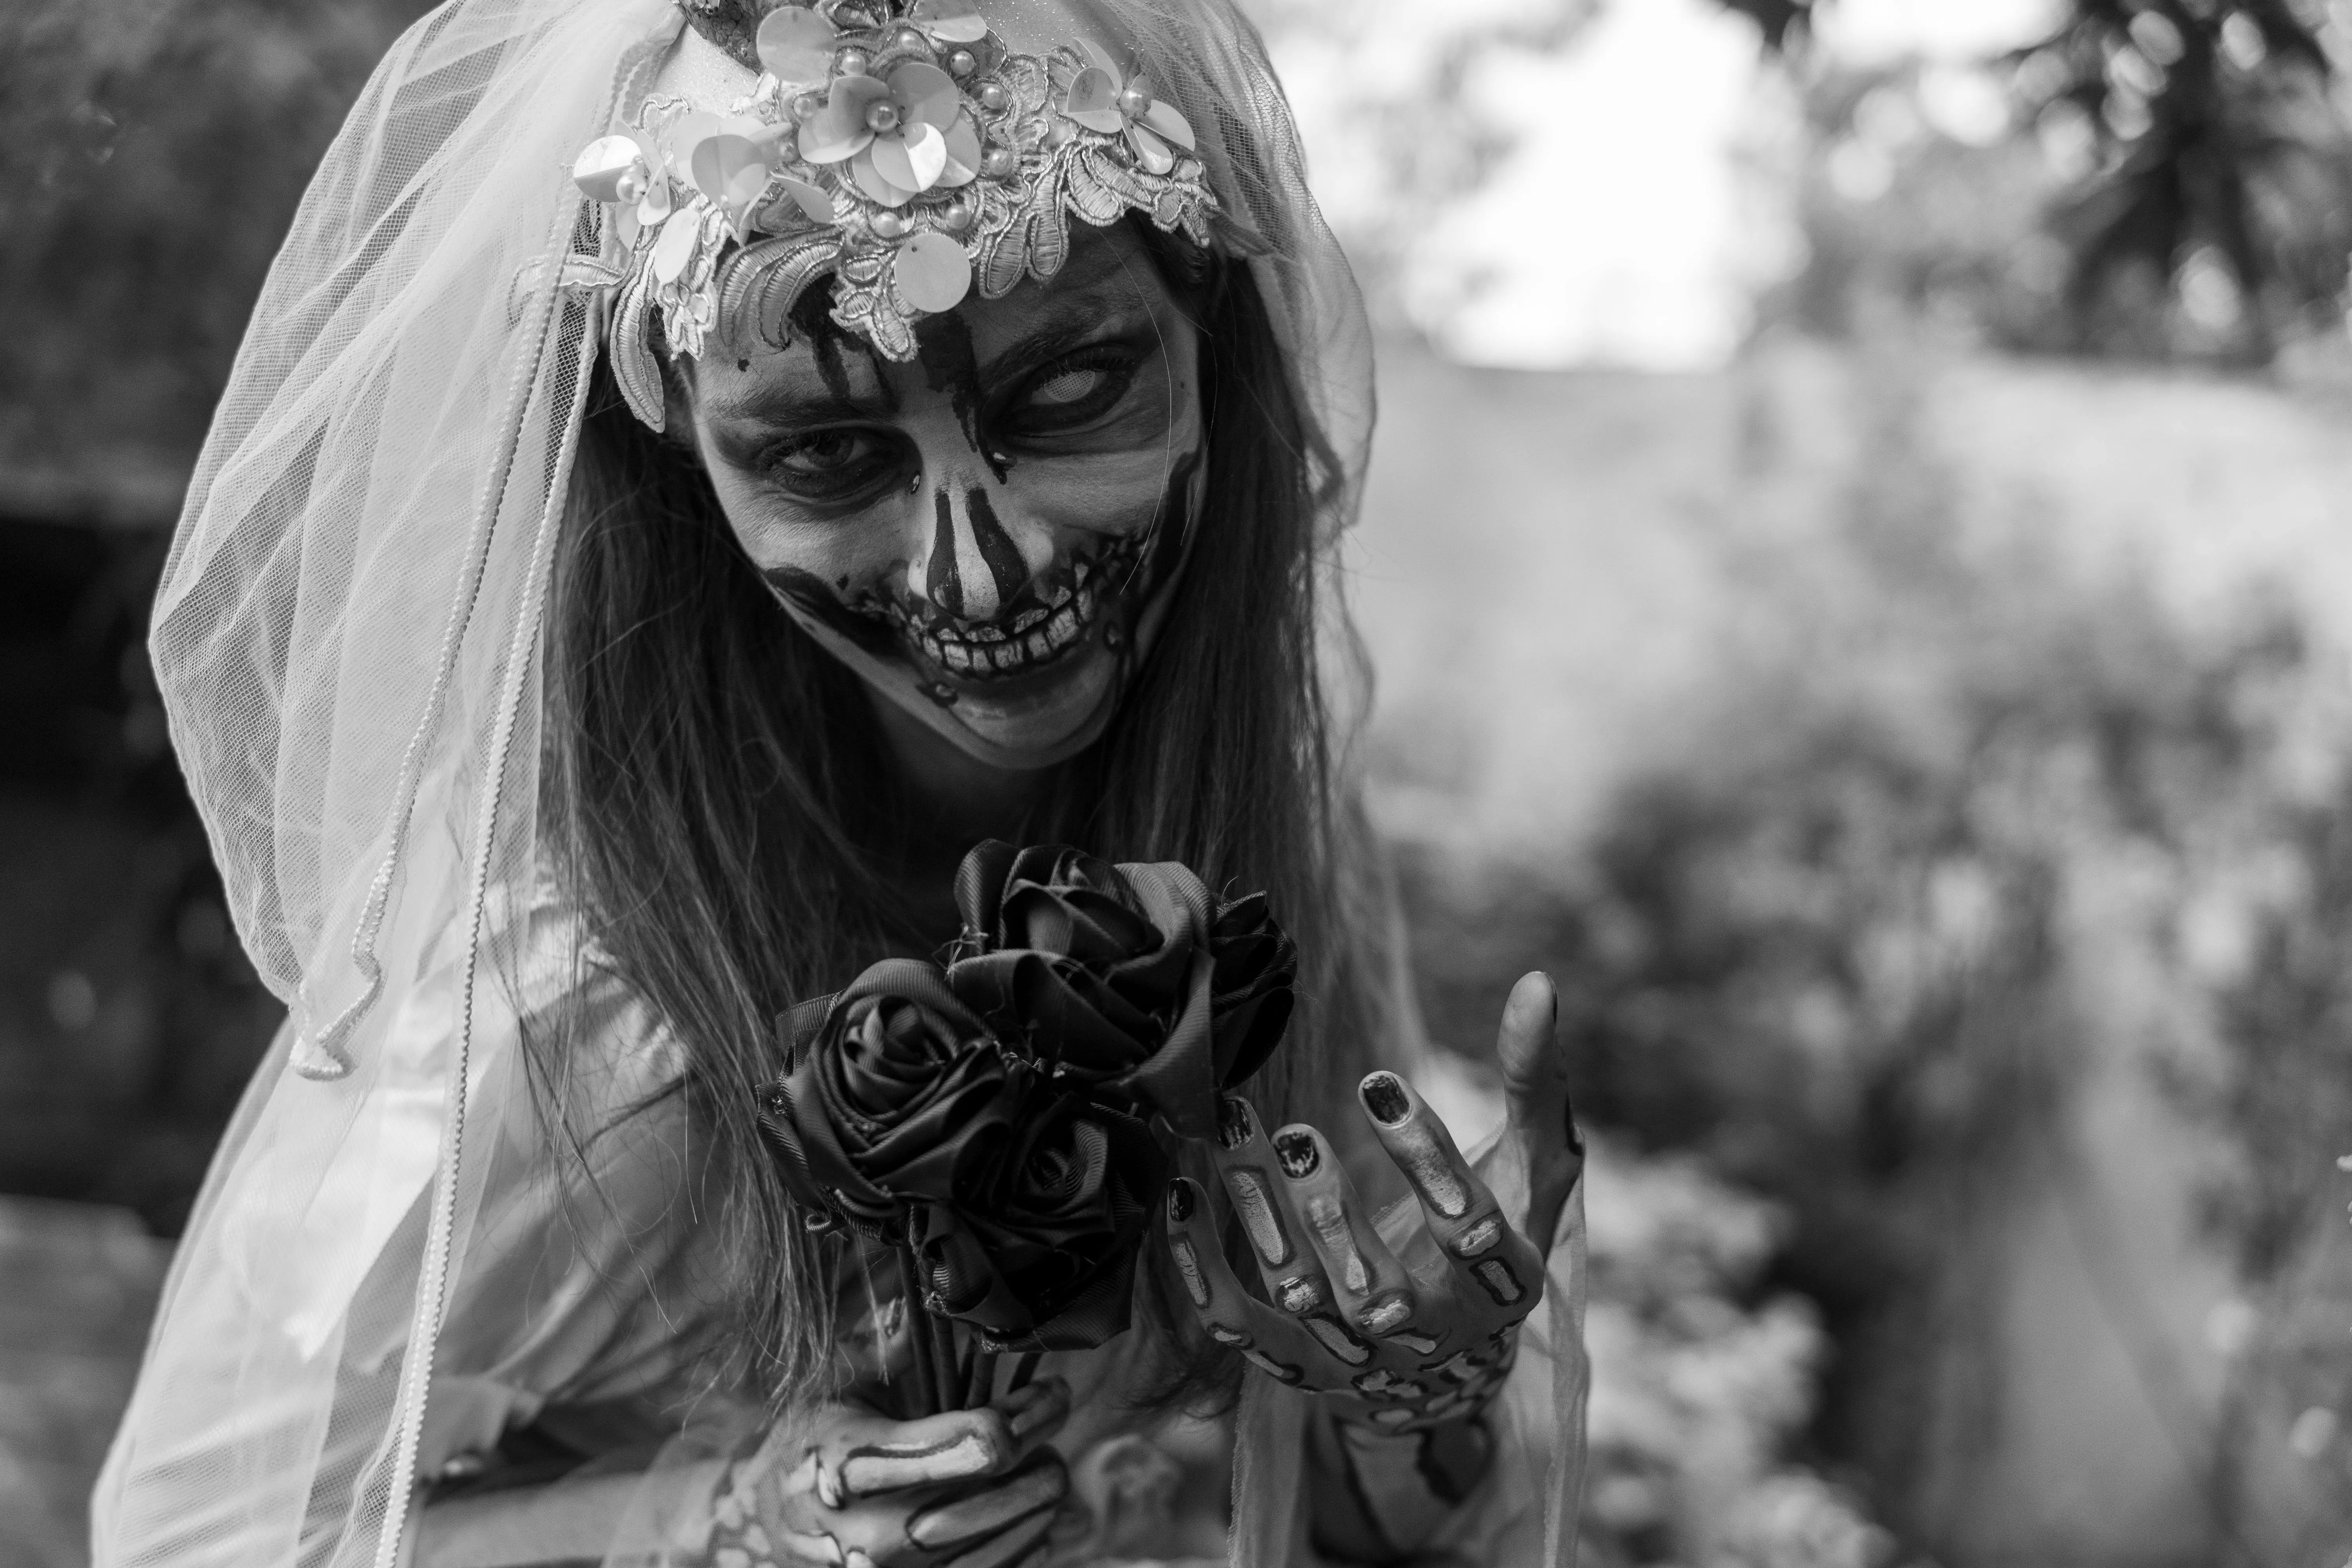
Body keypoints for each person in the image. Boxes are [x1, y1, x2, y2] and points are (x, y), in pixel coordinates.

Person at [94, 1, 1588, 1563]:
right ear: (691, 484)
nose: (986, 564)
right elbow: (198, 1533)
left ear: (1213, 358)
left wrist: (1408, 1391)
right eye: (825, 456)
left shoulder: (1258, 844)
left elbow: (1319, 1519)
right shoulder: (579, 1025)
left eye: (1070, 394)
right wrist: (721, 1521)